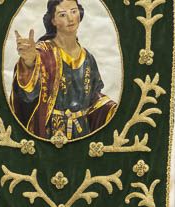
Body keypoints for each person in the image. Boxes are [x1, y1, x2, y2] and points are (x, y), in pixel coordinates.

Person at [11, 0, 117, 142]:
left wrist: (112, 109)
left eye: (74, 11)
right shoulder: (43, 53)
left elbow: (93, 98)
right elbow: (28, 96)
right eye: (62, 14)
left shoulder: (88, 58)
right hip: (52, 133)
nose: (70, 18)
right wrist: (29, 63)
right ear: (53, 20)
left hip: (82, 133)